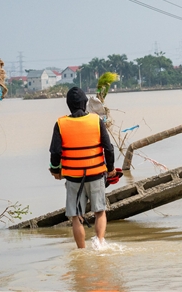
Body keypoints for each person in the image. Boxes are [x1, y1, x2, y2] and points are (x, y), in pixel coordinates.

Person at [49, 87, 116, 249]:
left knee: (76, 216)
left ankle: (82, 250)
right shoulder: (96, 121)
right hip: (96, 174)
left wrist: (55, 171)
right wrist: (111, 168)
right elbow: (109, 148)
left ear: (68, 105)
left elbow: (55, 152)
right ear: (85, 103)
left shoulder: (60, 123)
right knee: (100, 211)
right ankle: (99, 243)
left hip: (73, 178)